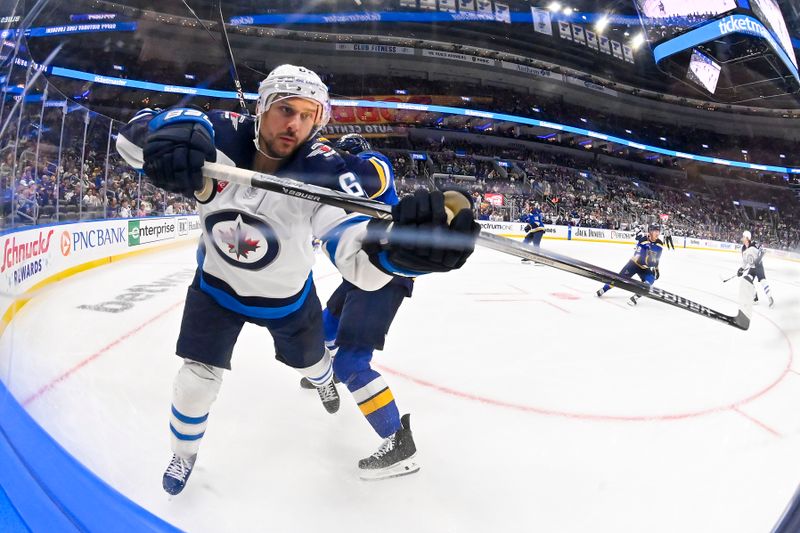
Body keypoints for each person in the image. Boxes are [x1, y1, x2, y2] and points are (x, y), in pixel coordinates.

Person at [115, 65, 479, 495]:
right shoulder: (216, 135)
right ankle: (184, 452)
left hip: (287, 301)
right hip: (214, 289)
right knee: (195, 382)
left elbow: (354, 257)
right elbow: (128, 140)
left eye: (308, 115)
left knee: (314, 364)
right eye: (286, 109)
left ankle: (325, 382)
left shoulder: (323, 171)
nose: (295, 124)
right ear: (264, 106)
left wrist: (400, 254)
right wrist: (167, 128)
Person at [300, 133, 419, 480]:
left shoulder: (375, 163)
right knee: (323, 331)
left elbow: (368, 176)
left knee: (352, 360)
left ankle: (399, 444)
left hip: (384, 273)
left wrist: (326, 154)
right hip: (360, 273)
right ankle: (330, 376)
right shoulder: (331, 193)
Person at [596, 224, 663, 306]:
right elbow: (638, 256)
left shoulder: (660, 244)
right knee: (619, 279)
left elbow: (657, 258)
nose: (657, 233)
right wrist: (647, 251)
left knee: (650, 280)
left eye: (658, 231)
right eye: (655, 231)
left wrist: (656, 269)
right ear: (650, 231)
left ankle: (635, 297)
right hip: (634, 264)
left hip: (645, 268)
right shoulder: (643, 240)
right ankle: (604, 289)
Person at [738, 230, 774, 308]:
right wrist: (741, 269)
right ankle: (755, 298)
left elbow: (763, 251)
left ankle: (770, 298)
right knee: (747, 281)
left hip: (758, 266)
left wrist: (759, 259)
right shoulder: (743, 249)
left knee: (763, 281)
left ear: (747, 238)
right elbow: (745, 261)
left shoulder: (754, 244)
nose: (742, 238)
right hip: (752, 267)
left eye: (743, 237)